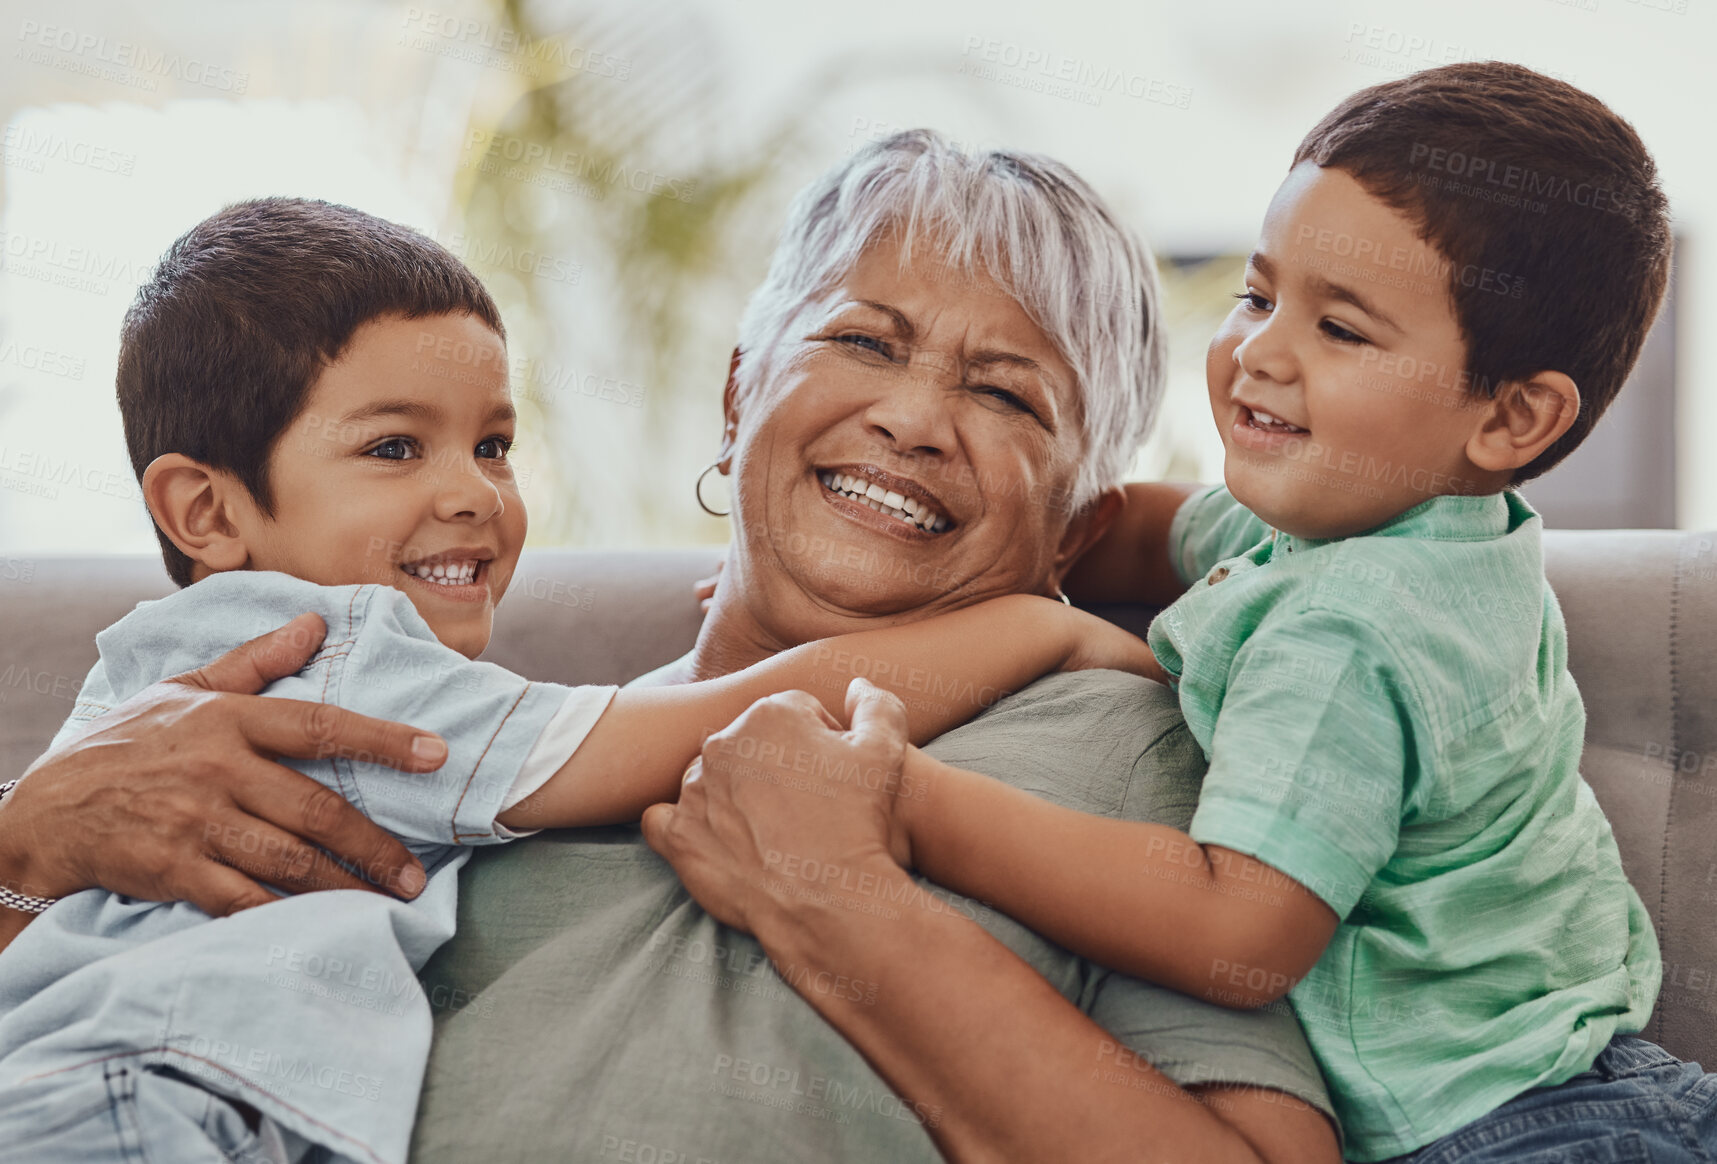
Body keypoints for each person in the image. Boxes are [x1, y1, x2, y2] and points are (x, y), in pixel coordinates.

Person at [2, 137, 1342, 1161]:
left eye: (1004, 393)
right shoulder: (456, 728)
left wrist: (840, 903)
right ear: (736, 396)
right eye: (860, 341)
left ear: (1081, 524)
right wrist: (26, 853)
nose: (913, 419)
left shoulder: (1113, 736)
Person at [654, 65, 1714, 1163]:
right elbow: (1132, 529)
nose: (1259, 352)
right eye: (1259, 297)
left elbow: (1232, 935)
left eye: (1340, 330)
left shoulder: (1352, 630)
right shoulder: (1356, 517)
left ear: (1511, 419)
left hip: (1531, 1129)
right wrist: (890, 564)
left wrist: (905, 800)